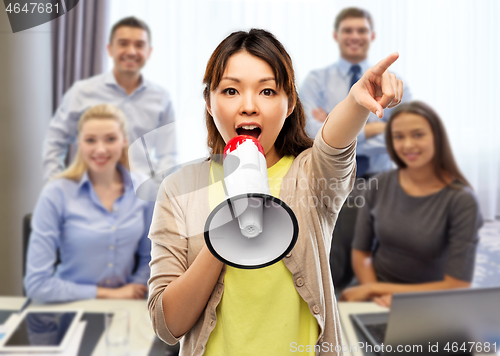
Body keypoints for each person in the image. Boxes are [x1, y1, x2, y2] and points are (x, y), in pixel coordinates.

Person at [147, 29, 403, 355]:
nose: (249, 106)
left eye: (267, 91)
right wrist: (223, 239)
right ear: (209, 103)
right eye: (230, 90)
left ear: (290, 103)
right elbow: (168, 325)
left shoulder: (311, 176)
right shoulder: (179, 188)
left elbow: (335, 143)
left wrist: (356, 102)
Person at [340, 101, 483, 307]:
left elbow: (457, 284)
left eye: (418, 135)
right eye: (399, 137)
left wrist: (380, 292)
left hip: (430, 298)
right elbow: (361, 252)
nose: (407, 145)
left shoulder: (462, 200)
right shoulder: (378, 184)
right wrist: (373, 294)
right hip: (373, 285)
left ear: (437, 137)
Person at [25, 104, 153, 303]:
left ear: (124, 142)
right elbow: (37, 284)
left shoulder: (144, 190)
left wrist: (135, 289)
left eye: (110, 139)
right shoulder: (56, 193)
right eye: (90, 140)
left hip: (127, 308)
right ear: (79, 144)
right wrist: (109, 295)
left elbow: (151, 258)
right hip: (68, 306)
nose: (100, 149)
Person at [42, 16, 176, 184]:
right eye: (123, 43)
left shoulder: (162, 98)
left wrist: (157, 193)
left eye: (139, 45)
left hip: (140, 197)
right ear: (110, 49)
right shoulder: (81, 92)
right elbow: (54, 142)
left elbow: (168, 155)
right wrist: (56, 187)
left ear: (149, 52)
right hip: (89, 194)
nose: (131, 51)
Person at [300, 7, 411, 178]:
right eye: (347, 30)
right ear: (336, 35)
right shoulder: (316, 81)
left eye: (362, 30)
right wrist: (375, 129)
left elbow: (403, 137)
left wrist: (333, 127)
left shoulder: (391, 83)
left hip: (380, 179)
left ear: (372, 36)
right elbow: (310, 134)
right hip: (329, 178)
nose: (355, 36)